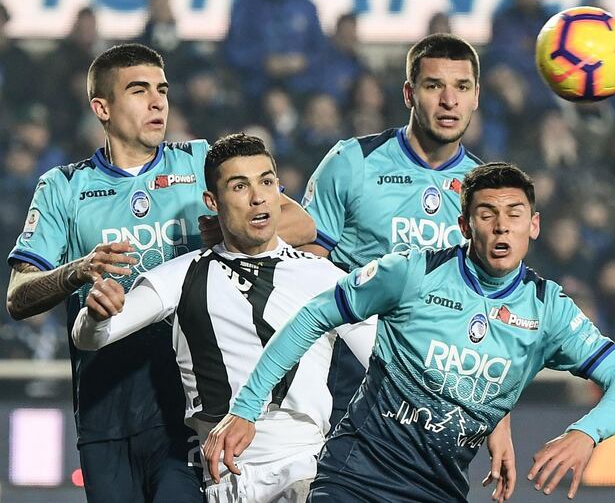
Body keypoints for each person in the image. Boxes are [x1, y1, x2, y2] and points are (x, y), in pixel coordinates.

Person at [205, 162, 615, 502]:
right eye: (487, 214)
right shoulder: (413, 273)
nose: (501, 226)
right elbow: (312, 317)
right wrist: (246, 407)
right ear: (464, 226)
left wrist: (584, 433)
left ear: (533, 226)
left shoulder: (548, 310)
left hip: (438, 490)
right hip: (356, 477)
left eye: (515, 214)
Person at [6, 43, 314, 502]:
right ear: (102, 108)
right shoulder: (64, 186)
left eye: (162, 90)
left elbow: (301, 223)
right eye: (139, 90)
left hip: (188, 404)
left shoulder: (196, 162)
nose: (157, 101)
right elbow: (18, 296)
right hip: (104, 405)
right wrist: (79, 270)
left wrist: (229, 228)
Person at [71, 133, 376, 502]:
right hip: (226, 482)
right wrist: (96, 315)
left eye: (266, 182)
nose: (258, 196)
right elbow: (92, 337)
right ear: (212, 202)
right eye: (239, 186)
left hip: (305, 470)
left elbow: (387, 361)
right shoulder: (180, 276)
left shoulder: (323, 276)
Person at [299, 32, 516, 499]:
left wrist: (499, 419)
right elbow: (304, 273)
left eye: (461, 87)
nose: (448, 100)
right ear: (408, 93)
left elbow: (495, 309)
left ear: (477, 97)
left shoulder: (485, 193)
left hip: (437, 405)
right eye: (434, 85)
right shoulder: (352, 162)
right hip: (350, 386)